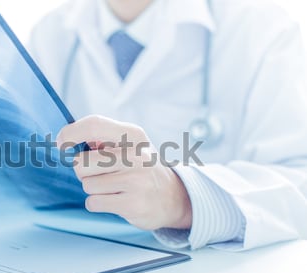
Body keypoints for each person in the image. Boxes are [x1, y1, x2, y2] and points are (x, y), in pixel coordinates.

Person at [28, 0, 307, 250]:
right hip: (75, 253)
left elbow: (299, 186)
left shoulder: (263, 29)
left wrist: (182, 199)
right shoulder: (51, 33)